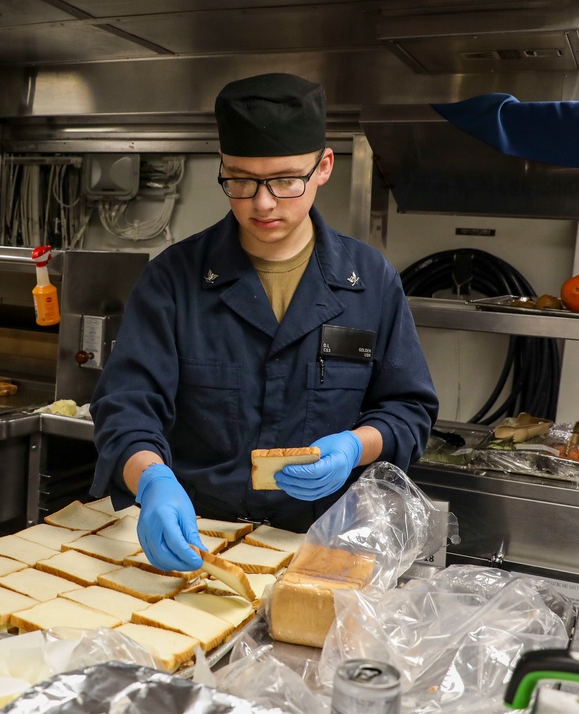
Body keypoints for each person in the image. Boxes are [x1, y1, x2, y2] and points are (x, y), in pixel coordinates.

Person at [89, 72, 439, 573]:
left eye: (285, 180)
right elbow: (125, 408)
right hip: (199, 544)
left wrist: (353, 447)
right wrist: (153, 481)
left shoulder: (371, 282)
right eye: (241, 181)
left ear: (324, 168)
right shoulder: (174, 278)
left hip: (321, 548)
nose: (263, 203)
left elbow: (409, 410)